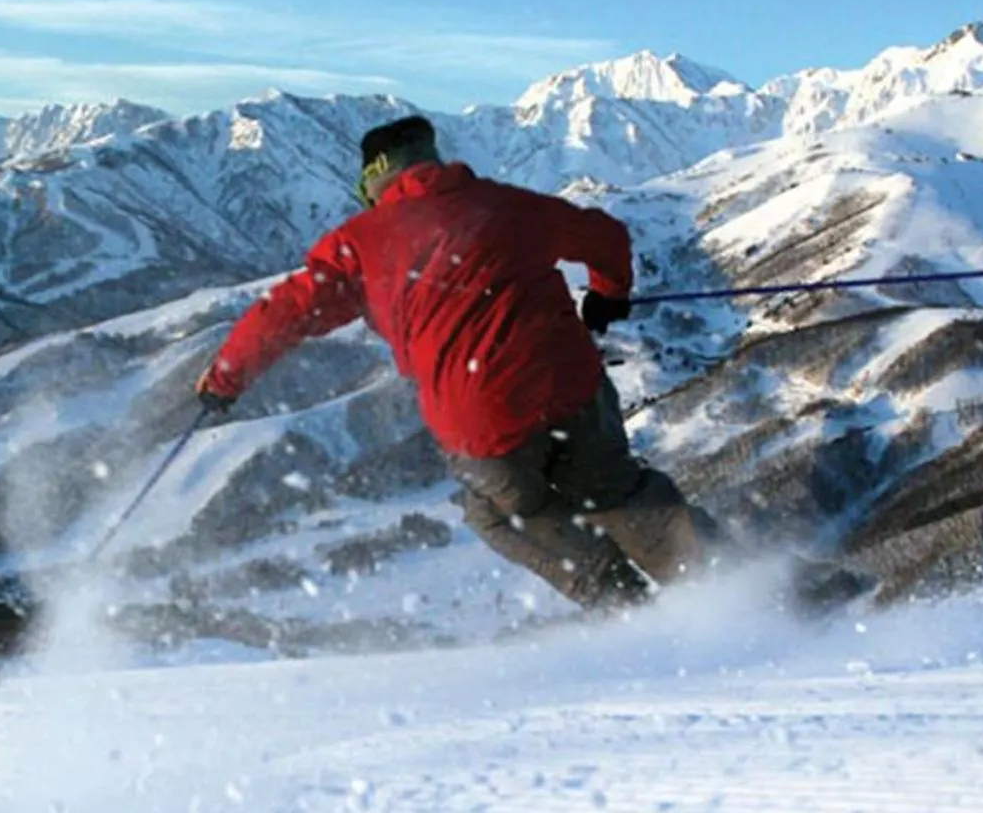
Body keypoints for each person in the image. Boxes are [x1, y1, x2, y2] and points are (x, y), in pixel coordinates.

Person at [195, 113, 707, 610]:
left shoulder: (360, 244)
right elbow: (606, 237)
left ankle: (628, 609)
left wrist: (225, 378)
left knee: (503, 515)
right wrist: (609, 292)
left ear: (376, 180)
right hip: (570, 384)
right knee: (620, 491)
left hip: (480, 418)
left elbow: (285, 313)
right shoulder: (510, 206)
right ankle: (731, 588)